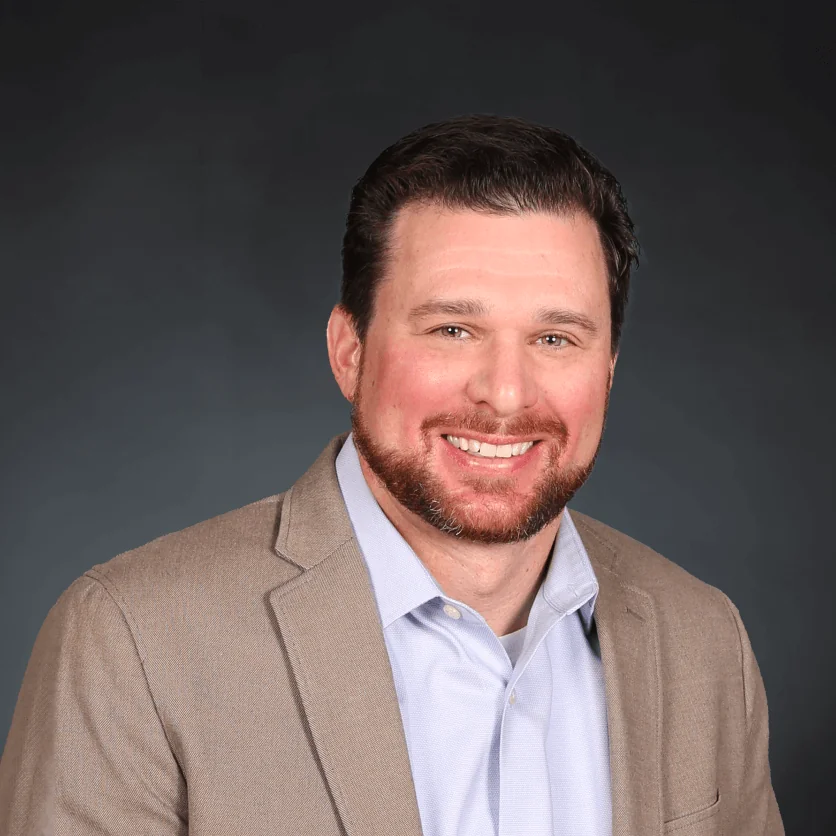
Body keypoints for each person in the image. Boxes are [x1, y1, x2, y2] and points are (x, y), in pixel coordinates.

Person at [0, 115, 783, 836]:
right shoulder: (134, 640)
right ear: (351, 352)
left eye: (554, 337)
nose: (505, 394)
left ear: (608, 368)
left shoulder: (703, 638)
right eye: (453, 328)